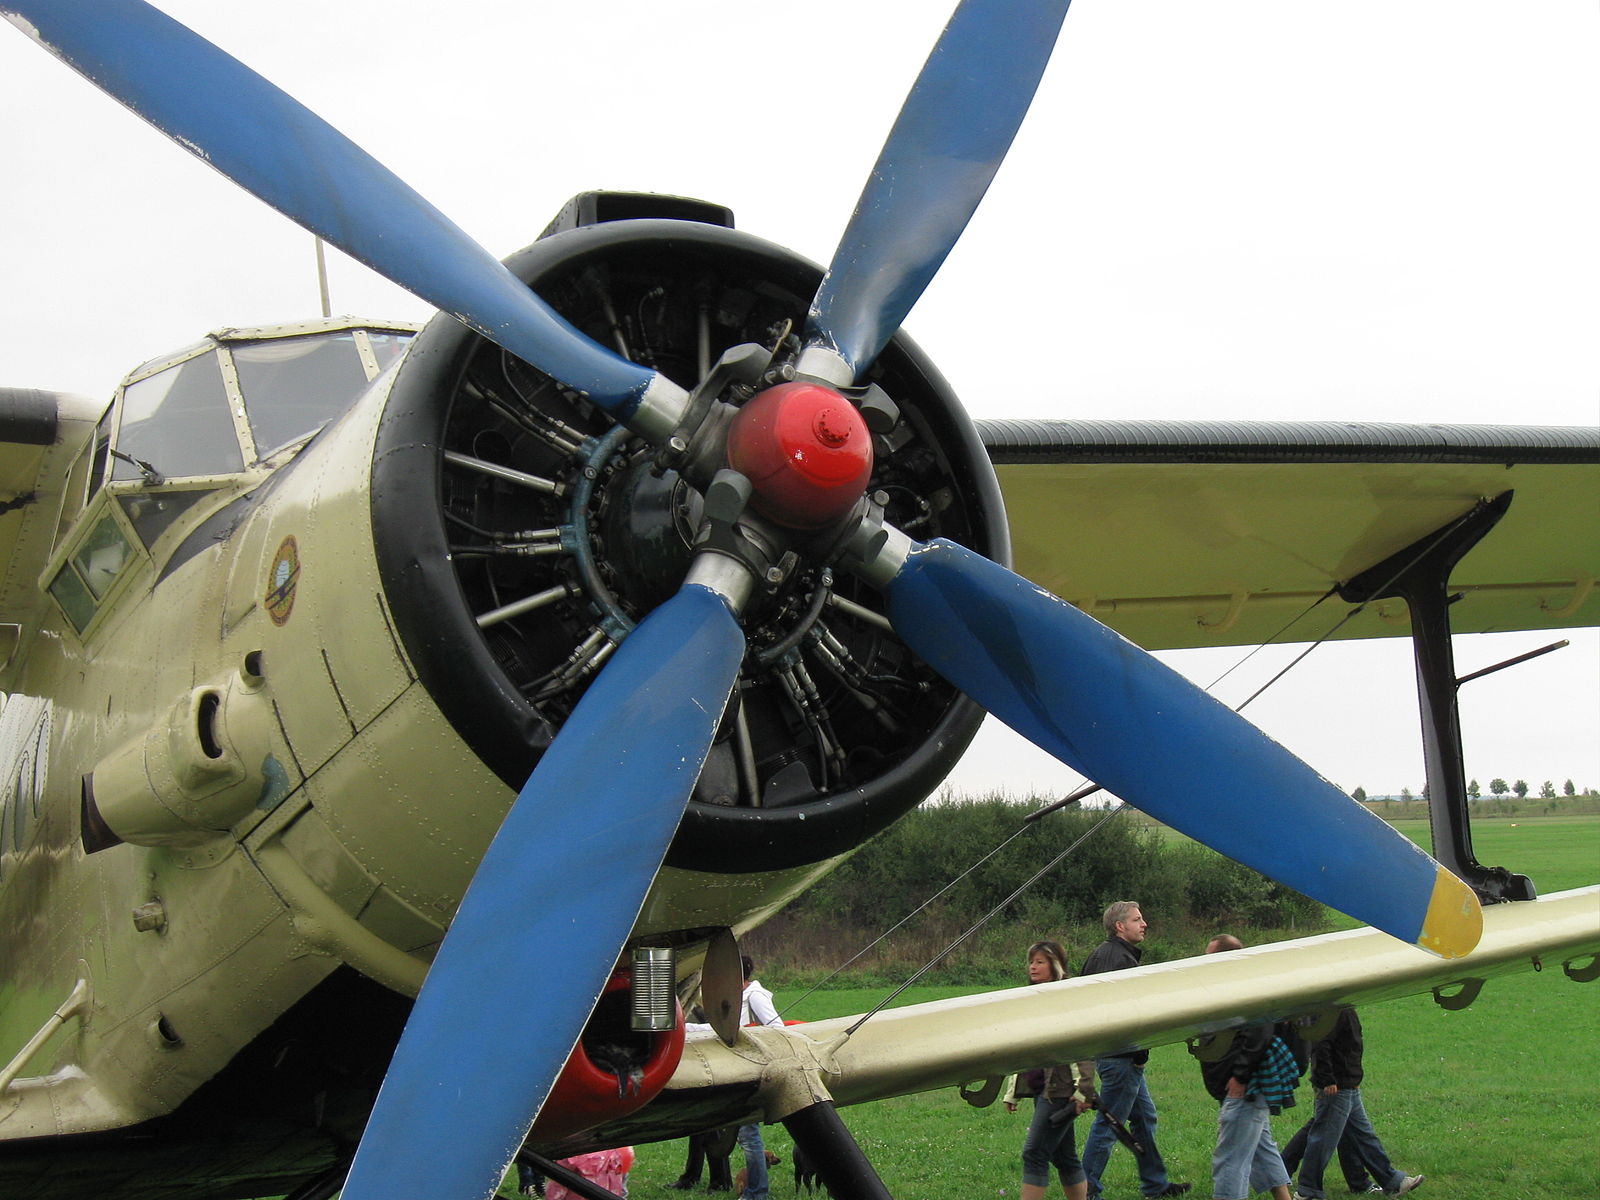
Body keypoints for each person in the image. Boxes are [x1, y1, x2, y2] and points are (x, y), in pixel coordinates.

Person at [1079, 901, 1190, 1200]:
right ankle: (1086, 1192)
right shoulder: (1121, 961)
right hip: (1121, 1058)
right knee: (1109, 1124)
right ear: (1119, 926)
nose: (1144, 924)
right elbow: (1129, 1014)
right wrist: (1138, 1053)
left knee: (1144, 1118)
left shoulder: (1100, 955)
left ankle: (1155, 1184)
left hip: (1114, 1055)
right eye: (1137, 919)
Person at [1193, 934, 1296, 1200]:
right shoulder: (1237, 986)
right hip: (1244, 1087)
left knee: (1230, 1160)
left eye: (1209, 958)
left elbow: (1260, 1033)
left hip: (1244, 1089)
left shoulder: (1246, 988)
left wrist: (1240, 1077)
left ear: (1225, 958)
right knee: (1263, 1149)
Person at [1284, 1008, 1424, 1199]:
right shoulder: (1332, 1010)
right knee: (1323, 1138)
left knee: (1362, 1135)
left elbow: (1349, 1045)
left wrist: (1353, 1077)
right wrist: (1327, 1080)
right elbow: (1320, 1044)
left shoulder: (1343, 1007)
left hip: (1348, 1083)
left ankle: (1392, 1182)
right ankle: (1307, 1191)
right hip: (1337, 1086)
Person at [1003, 940, 1098, 1200]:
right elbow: (1023, 1049)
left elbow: (1080, 1047)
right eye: (1031, 961)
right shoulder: (1030, 998)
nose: (1033, 967)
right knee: (1064, 1157)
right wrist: (1012, 1092)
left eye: (1040, 962)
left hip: (1061, 1091)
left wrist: (1083, 1091)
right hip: (1041, 1090)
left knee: (1034, 1153)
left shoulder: (1064, 998)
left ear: (1055, 966)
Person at [688, 955, 783, 1200]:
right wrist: (686, 1028)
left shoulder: (756, 996)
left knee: (750, 1137)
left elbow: (778, 1029)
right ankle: (755, 1191)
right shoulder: (735, 998)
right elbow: (719, 1029)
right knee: (746, 1136)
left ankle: (757, 1193)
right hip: (735, 1070)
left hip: (753, 1071)